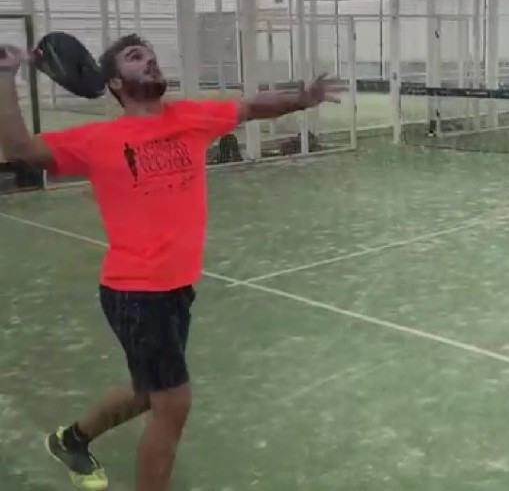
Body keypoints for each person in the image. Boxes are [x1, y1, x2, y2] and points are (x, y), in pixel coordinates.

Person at [0, 34, 340, 491]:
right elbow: (20, 150)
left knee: (148, 391)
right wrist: (5, 75)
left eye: (151, 55)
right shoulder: (99, 139)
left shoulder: (190, 118)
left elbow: (251, 107)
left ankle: (71, 440)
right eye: (135, 57)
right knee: (172, 403)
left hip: (177, 287)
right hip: (136, 291)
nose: (151, 61)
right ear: (115, 82)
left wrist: (304, 98)